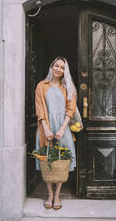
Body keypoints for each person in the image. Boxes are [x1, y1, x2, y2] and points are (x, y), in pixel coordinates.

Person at [35, 56, 77, 210]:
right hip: (45, 126)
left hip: (63, 128)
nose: (59, 69)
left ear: (65, 71)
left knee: (61, 162)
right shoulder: (41, 86)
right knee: (47, 160)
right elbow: (39, 109)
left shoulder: (69, 87)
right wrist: (46, 128)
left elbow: (70, 110)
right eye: (56, 66)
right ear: (51, 66)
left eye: (62, 67)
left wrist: (61, 129)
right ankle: (49, 194)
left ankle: (57, 194)